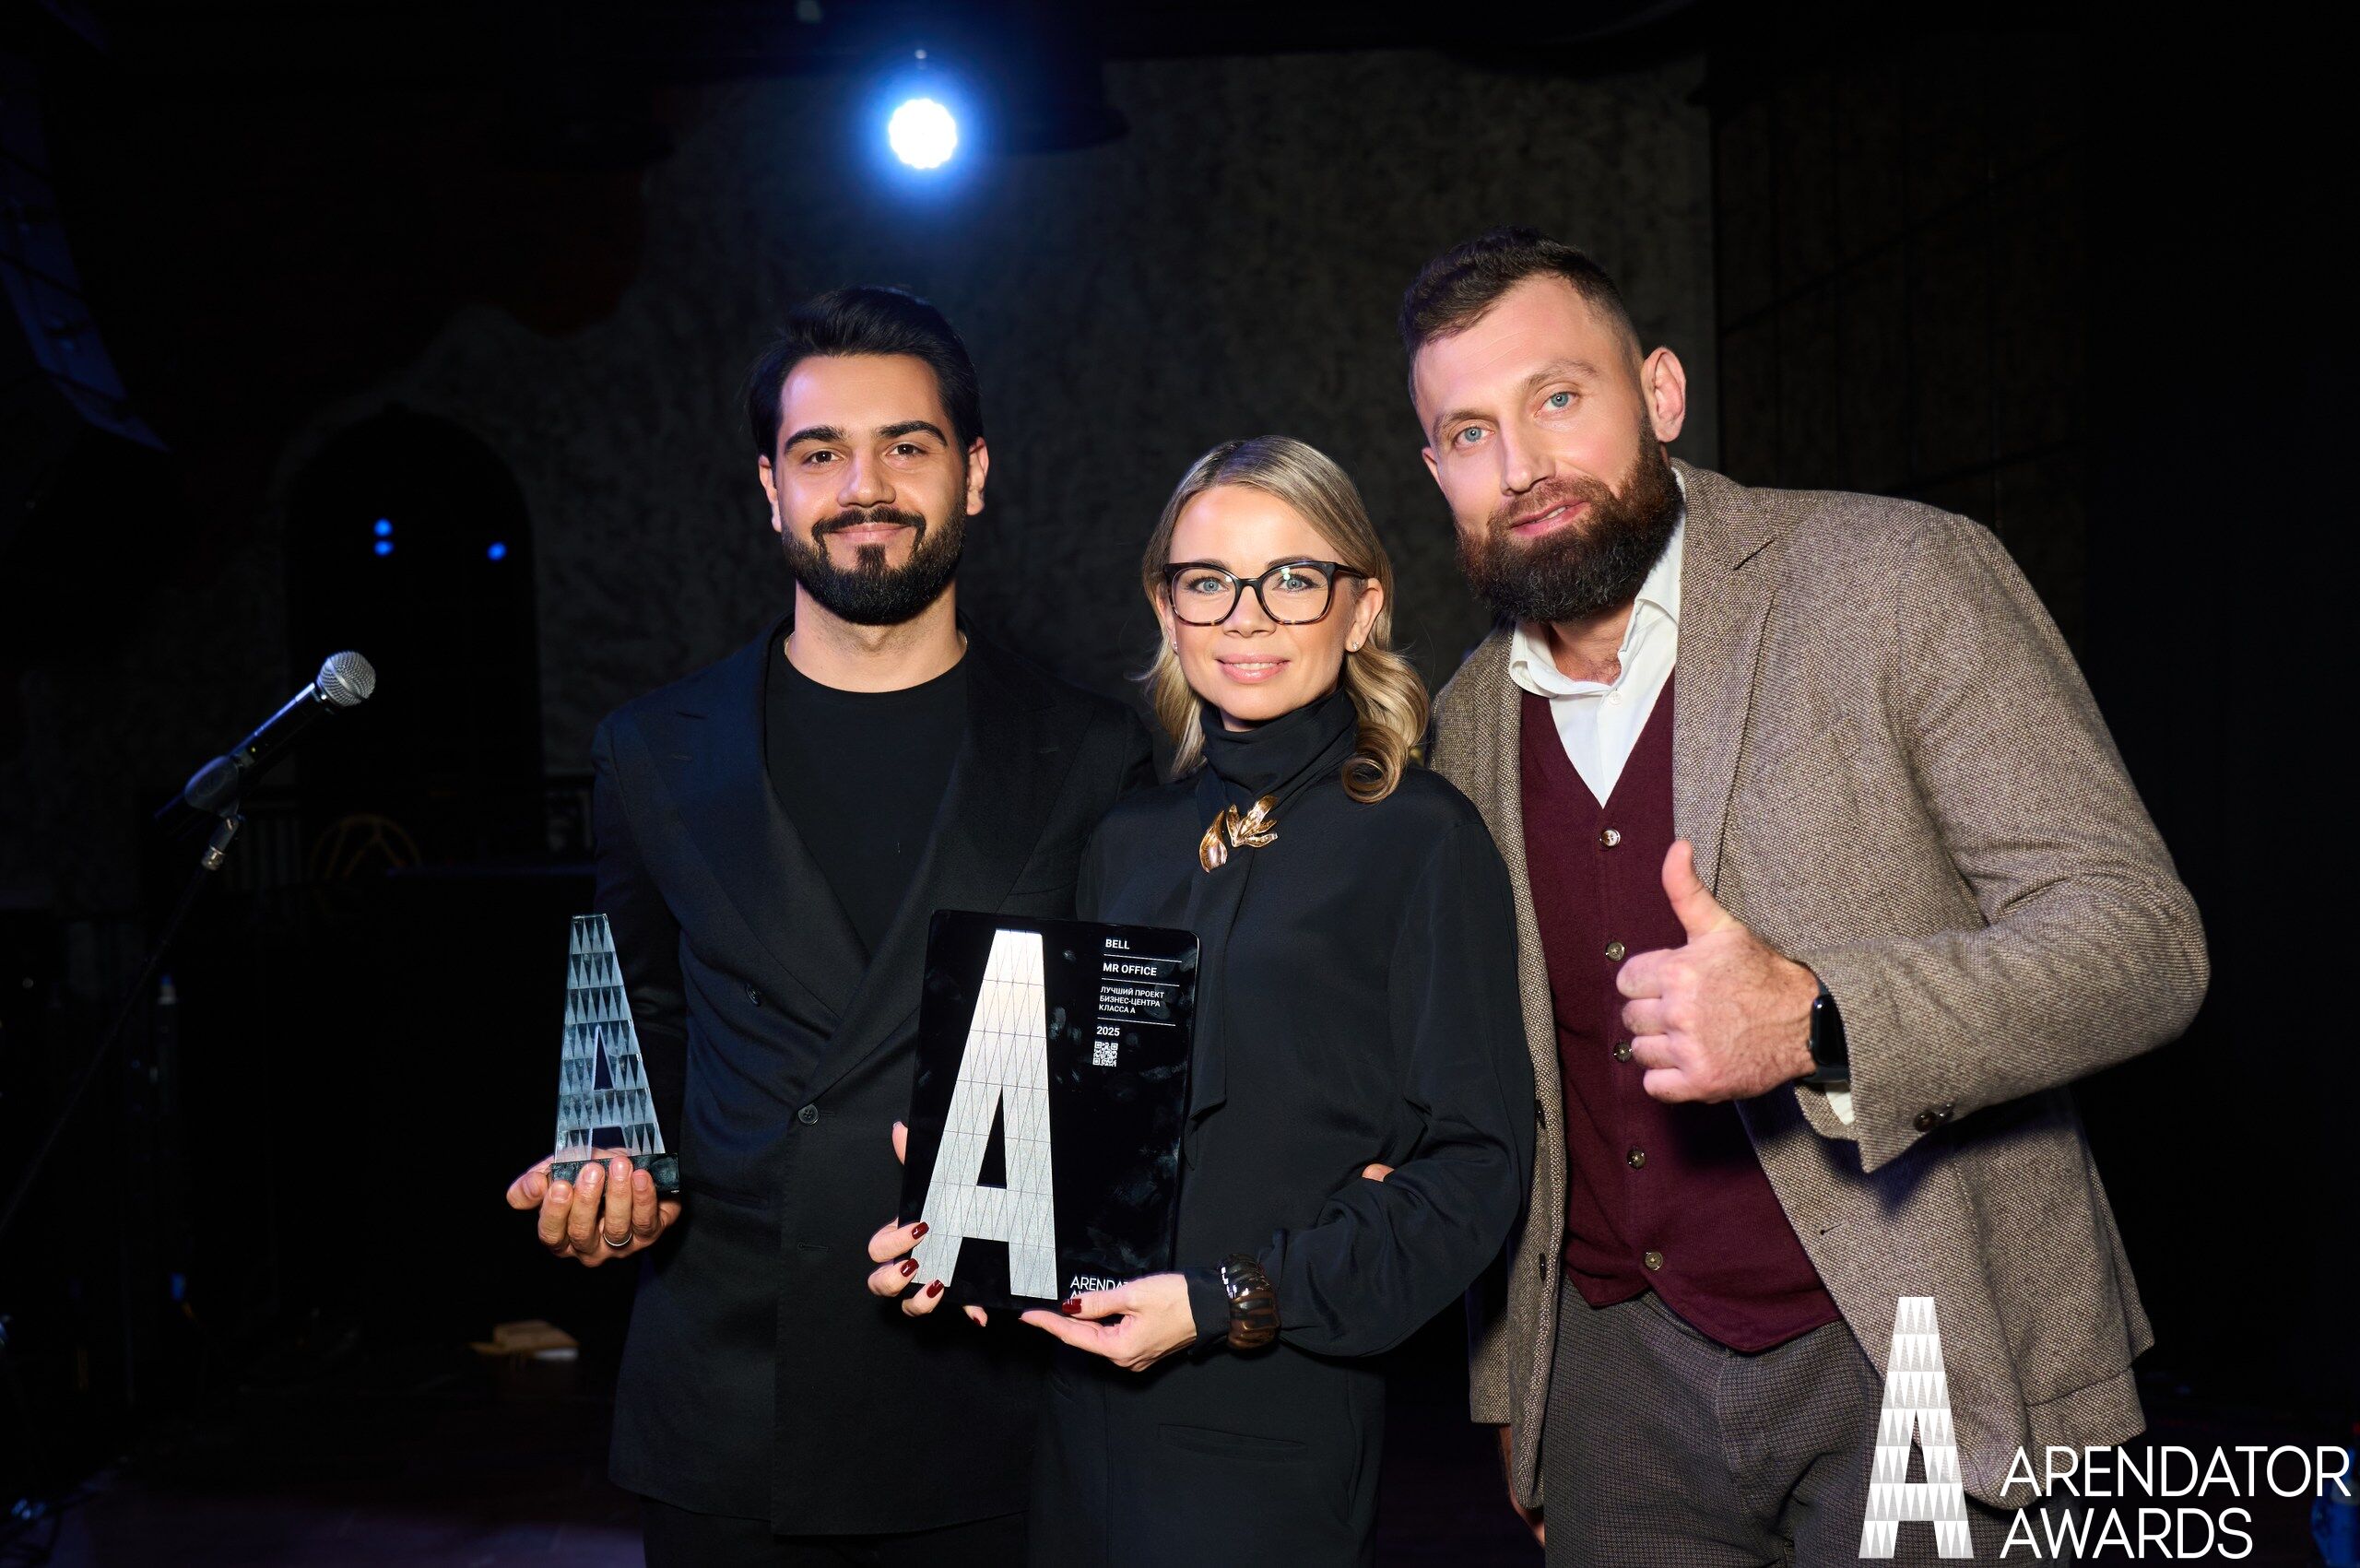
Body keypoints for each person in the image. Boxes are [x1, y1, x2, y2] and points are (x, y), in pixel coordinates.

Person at [1403, 228, 2209, 1564]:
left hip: (1918, 1341)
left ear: (1659, 393)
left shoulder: (1893, 577)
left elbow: (2143, 941)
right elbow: (1518, 1095)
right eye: (1469, 432)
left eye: (1558, 397)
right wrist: (1518, 1393)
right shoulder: (1462, 726)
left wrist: (1820, 1019)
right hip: (1614, 1380)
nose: (1522, 464)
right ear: (1438, 471)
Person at [503, 286, 1152, 1566]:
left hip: (994, 1394)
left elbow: (1118, 1072)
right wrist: (610, 1166)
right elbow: (641, 1018)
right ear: (770, 487)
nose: (865, 487)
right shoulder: (650, 750)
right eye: (820, 453)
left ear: (974, 473)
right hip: (732, 1404)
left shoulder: (1094, 751)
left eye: (906, 445)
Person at [869, 435, 1534, 1567]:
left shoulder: (1422, 838)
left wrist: (1228, 1299)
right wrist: (967, 1230)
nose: (1246, 617)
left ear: (1362, 607)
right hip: (1075, 1413)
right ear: (1167, 610)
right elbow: (1086, 1144)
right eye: (1208, 581)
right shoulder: (1125, 838)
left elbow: (1476, 1170)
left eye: (1293, 578)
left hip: (1270, 1412)